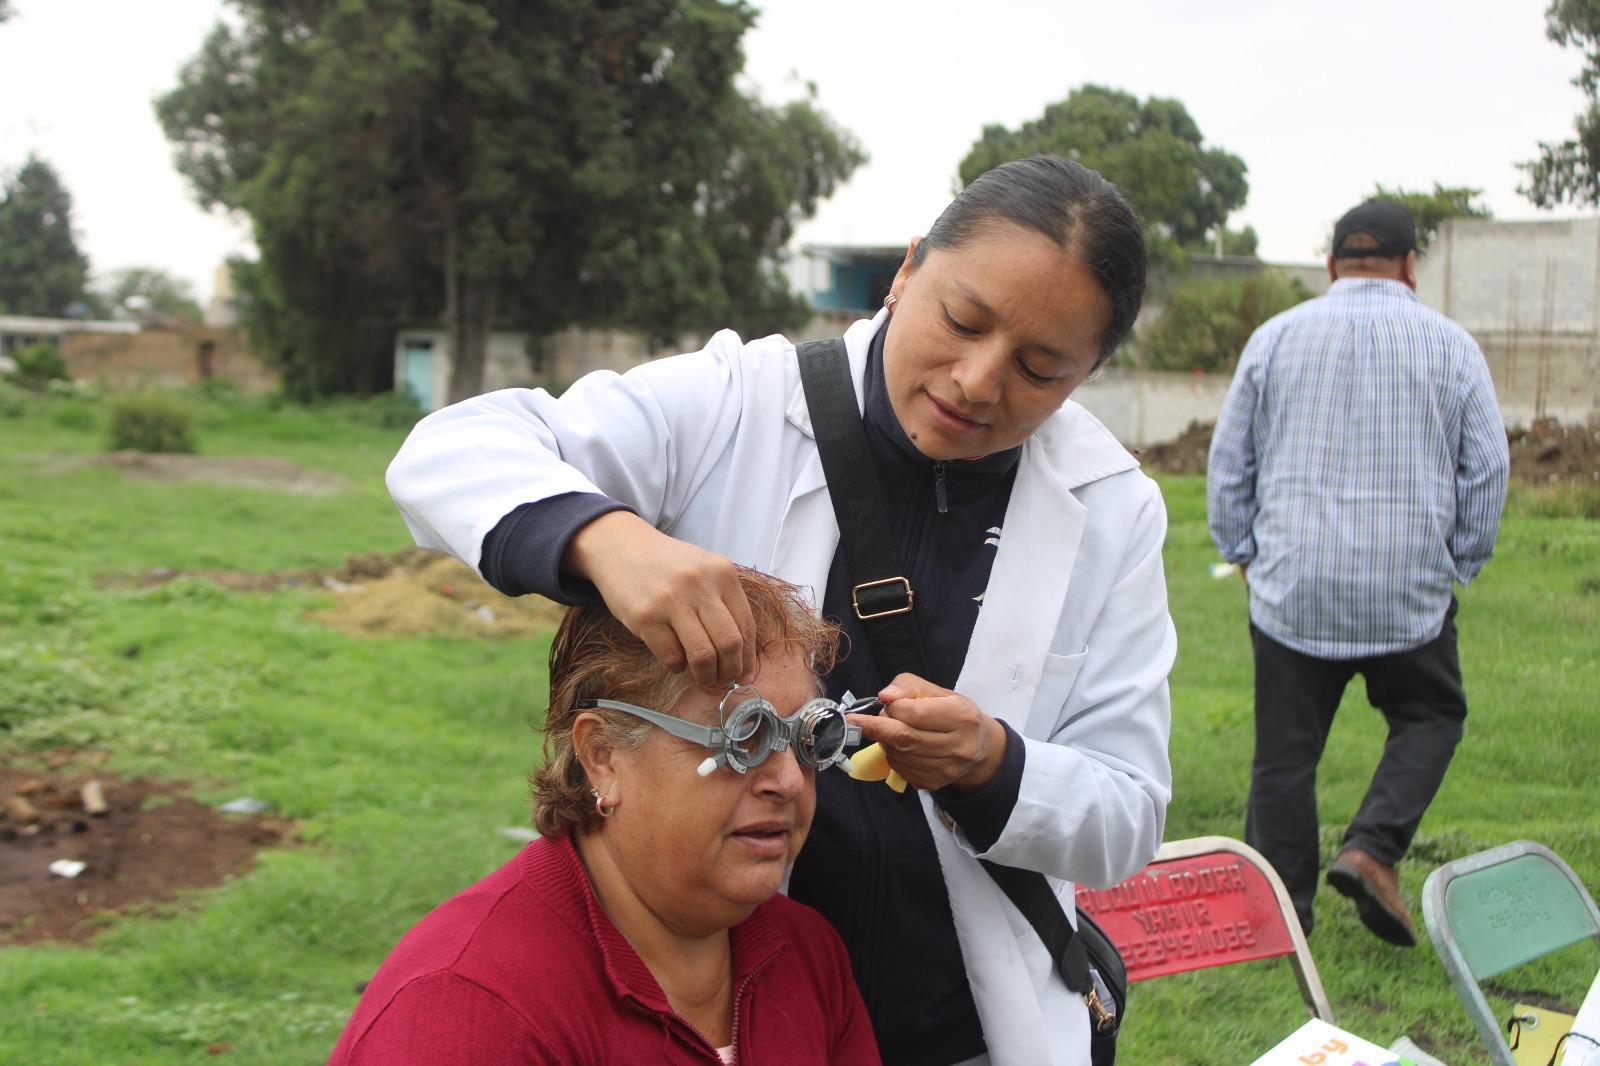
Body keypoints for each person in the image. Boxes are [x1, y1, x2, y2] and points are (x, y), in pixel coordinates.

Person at [386, 155, 1176, 1065]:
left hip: (967, 1024)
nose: (976, 381)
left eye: (1040, 370)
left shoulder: (1112, 508)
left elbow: (1127, 815)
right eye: (962, 321)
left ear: (1089, 375)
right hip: (753, 1004)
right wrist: (607, 538)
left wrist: (991, 764)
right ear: (908, 268)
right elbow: (448, 453)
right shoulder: (738, 403)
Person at [327, 567, 881, 1065]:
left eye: (810, 736)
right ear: (603, 758)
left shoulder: (807, 953)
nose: (787, 781)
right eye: (746, 736)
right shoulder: (465, 1010)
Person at [1207, 199, 1510, 947]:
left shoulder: (1275, 338)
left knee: (1285, 754)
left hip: (1294, 588)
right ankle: (1372, 849)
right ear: (1410, 266)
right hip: (1407, 591)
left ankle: (1281, 919)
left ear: (1334, 263)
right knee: (1430, 716)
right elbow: (1488, 468)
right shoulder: (1450, 346)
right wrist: (1460, 562)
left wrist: (1239, 550)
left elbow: (1228, 459)